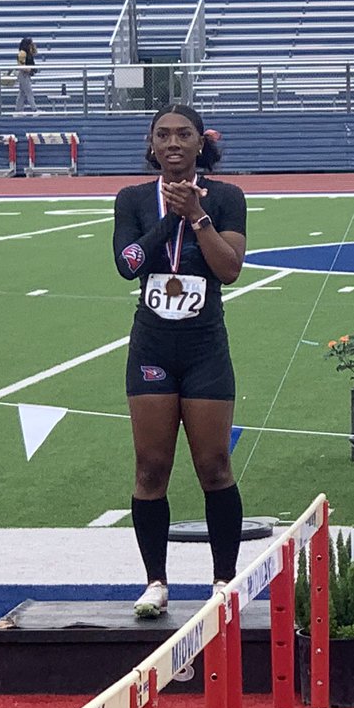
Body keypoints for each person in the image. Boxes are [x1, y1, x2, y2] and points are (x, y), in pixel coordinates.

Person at [112, 105, 247, 617]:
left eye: (183, 135)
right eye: (163, 135)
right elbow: (128, 265)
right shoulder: (132, 199)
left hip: (204, 345)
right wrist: (170, 219)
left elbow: (229, 268)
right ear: (151, 146)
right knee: (150, 467)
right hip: (152, 346)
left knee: (214, 465)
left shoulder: (228, 196)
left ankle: (223, 581)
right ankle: (155, 581)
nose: (172, 143)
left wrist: (197, 216)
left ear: (199, 144)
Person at [16, 36, 37, 112]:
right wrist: (30, 70)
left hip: (26, 74)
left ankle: (18, 109)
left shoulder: (28, 52)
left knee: (22, 93)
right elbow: (21, 66)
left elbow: (35, 52)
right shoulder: (22, 53)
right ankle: (34, 109)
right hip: (23, 74)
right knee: (29, 92)